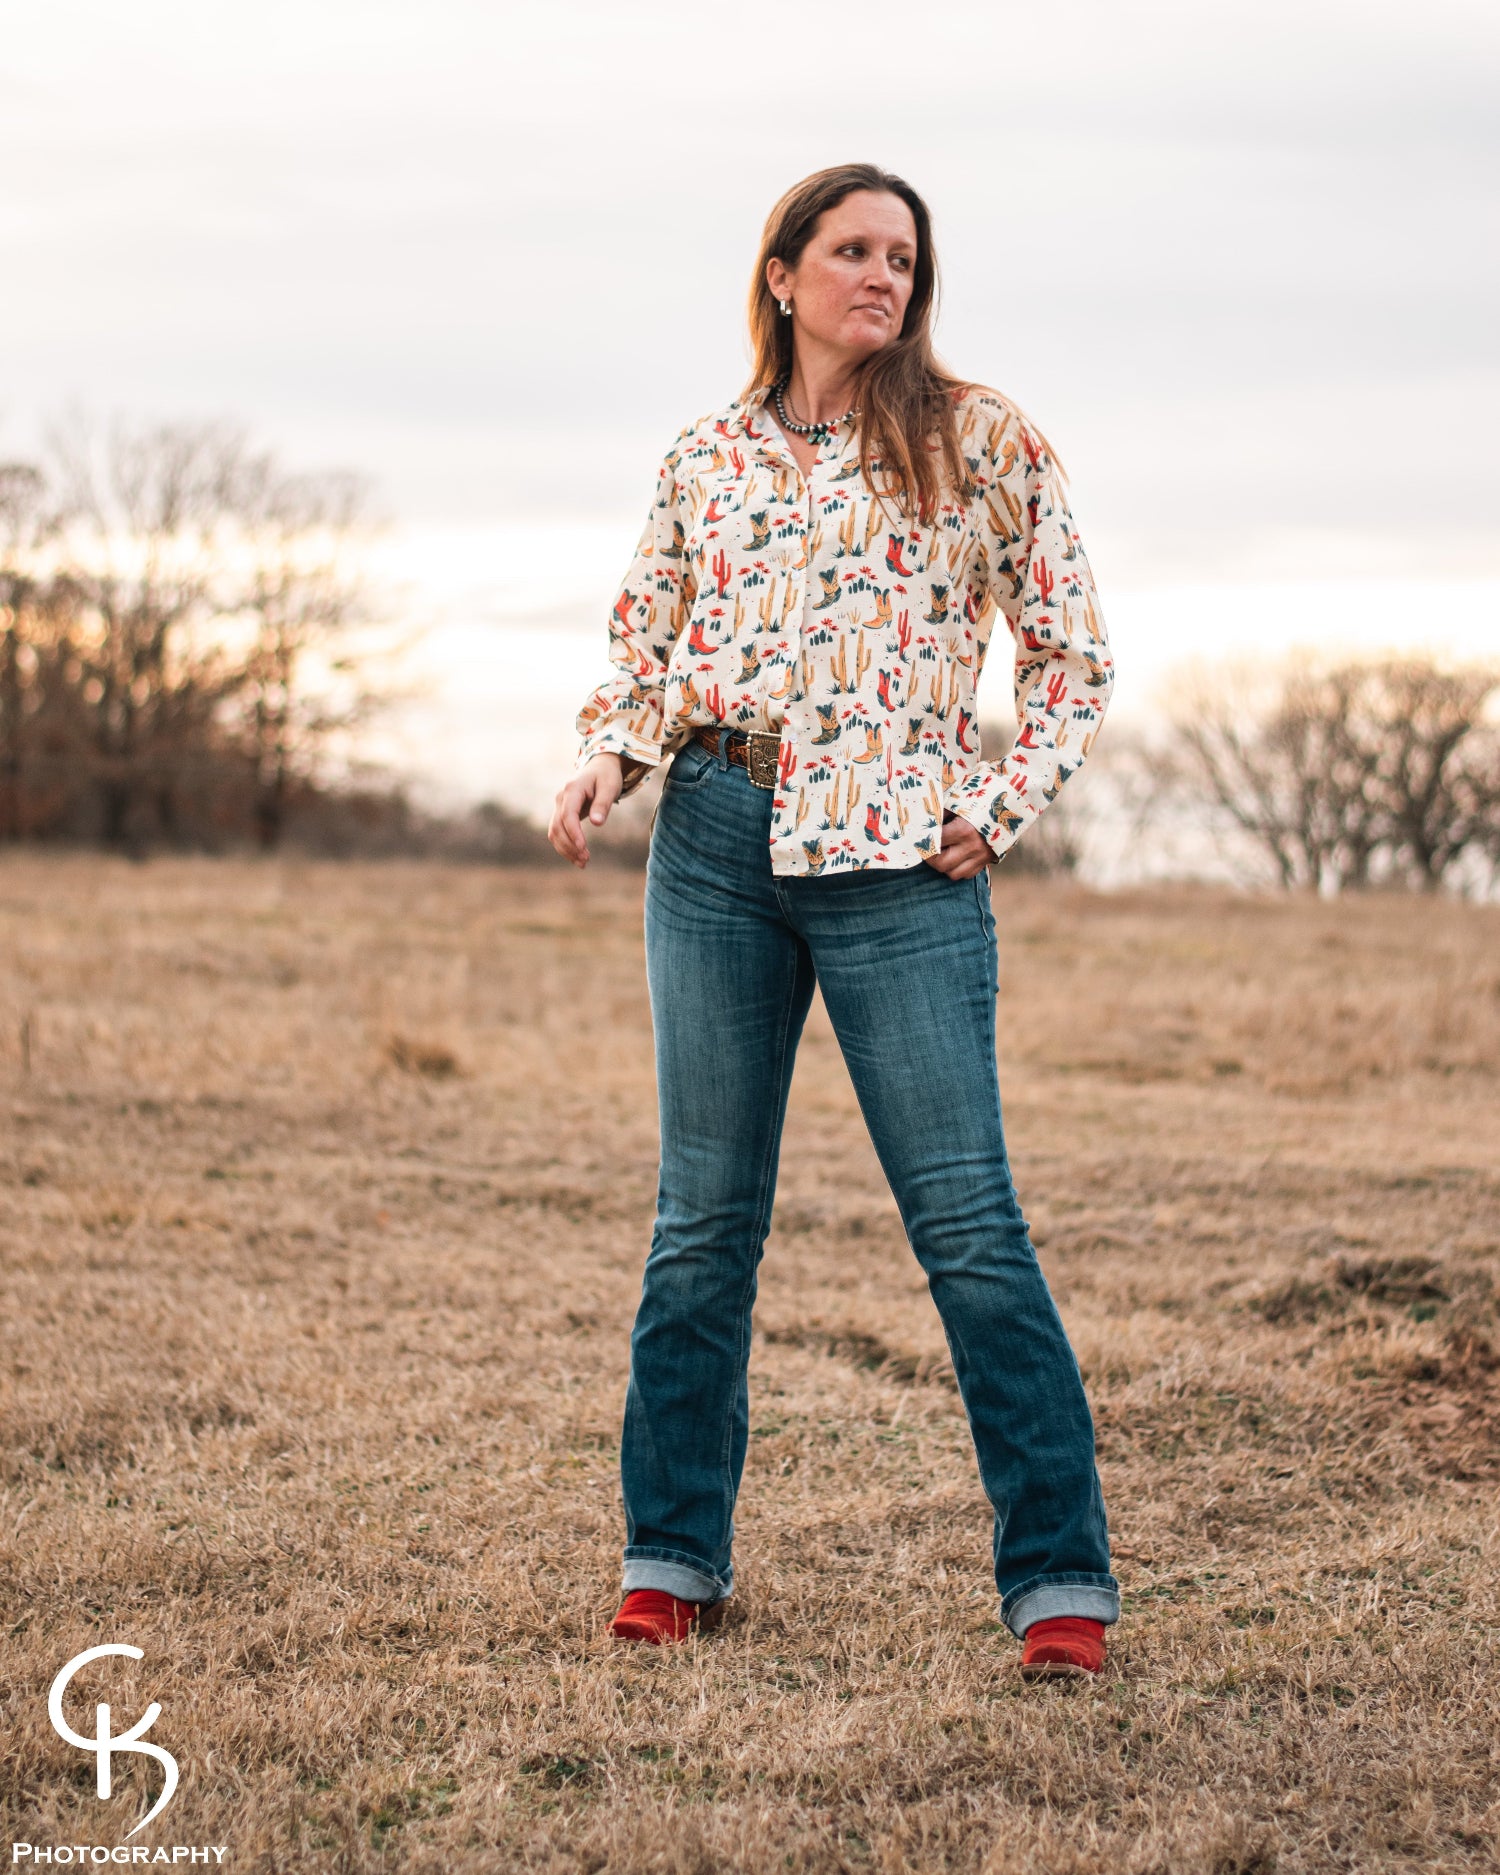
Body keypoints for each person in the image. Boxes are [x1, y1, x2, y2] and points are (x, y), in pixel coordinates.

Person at [548, 163, 1117, 1681]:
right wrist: (611, 754)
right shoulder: (705, 458)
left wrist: (992, 810)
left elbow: (1073, 656)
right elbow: (648, 639)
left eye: (905, 259)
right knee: (700, 1230)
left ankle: (1059, 1582)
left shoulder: (982, 441)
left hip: (898, 865)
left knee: (971, 1232)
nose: (885, 278)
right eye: (854, 251)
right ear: (784, 274)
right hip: (717, 839)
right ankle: (670, 1560)